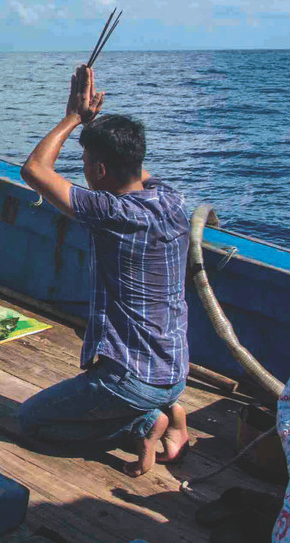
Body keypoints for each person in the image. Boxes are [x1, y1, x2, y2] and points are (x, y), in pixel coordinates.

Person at [17, 63, 191, 476]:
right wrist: (94, 130)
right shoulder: (172, 199)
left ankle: (143, 424)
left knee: (33, 422)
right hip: (175, 370)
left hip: (130, 380)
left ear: (98, 171)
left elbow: (34, 170)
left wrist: (74, 118)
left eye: (88, 164)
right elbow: (128, 165)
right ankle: (170, 408)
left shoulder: (111, 211)